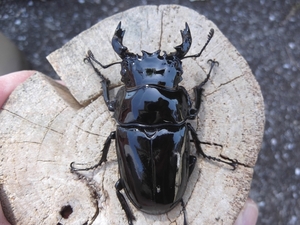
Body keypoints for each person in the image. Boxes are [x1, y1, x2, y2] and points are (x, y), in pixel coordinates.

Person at [0, 71, 259, 225]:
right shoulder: (182, 126)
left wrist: (104, 82)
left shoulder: (122, 128)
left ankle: (131, 218)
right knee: (189, 153)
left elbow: (111, 104)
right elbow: (192, 110)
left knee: (119, 181)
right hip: (171, 193)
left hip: (147, 192)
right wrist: (198, 89)